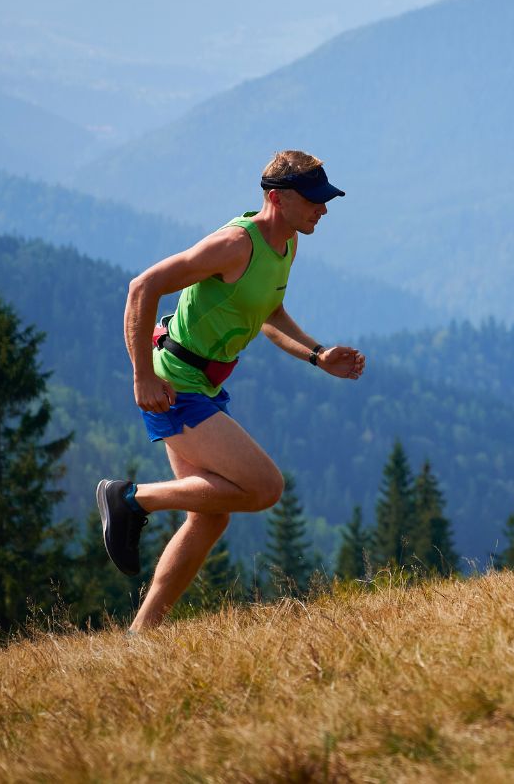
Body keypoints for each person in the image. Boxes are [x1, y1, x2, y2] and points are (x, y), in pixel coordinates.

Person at [97, 150, 365, 631]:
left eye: (325, 200)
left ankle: (140, 634)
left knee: (210, 517)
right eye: (314, 200)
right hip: (175, 384)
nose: (322, 210)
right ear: (277, 198)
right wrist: (142, 375)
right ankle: (131, 499)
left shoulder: (285, 244)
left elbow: (266, 313)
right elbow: (143, 288)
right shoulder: (234, 245)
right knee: (265, 487)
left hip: (202, 383)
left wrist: (316, 354)